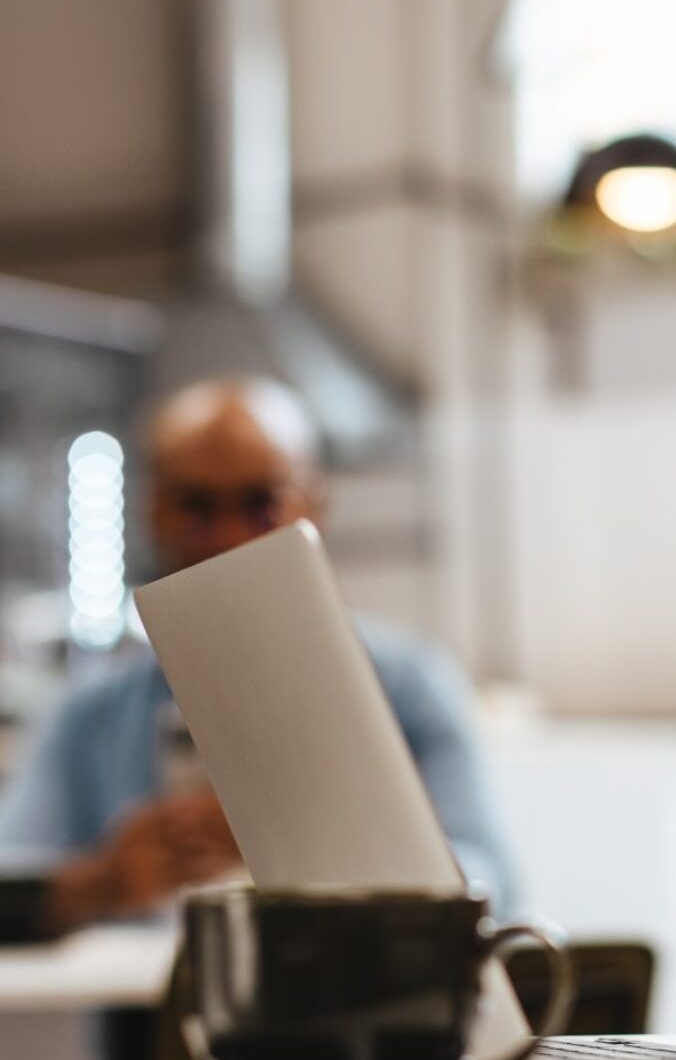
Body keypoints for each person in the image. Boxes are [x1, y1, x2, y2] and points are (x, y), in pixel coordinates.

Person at [0, 377, 519, 927]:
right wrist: (103, 881)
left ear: (313, 504)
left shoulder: (409, 687)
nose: (228, 537)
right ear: (154, 513)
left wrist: (318, 849)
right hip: (148, 1010)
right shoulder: (94, 713)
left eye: (261, 504)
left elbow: (488, 882)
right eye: (197, 506)